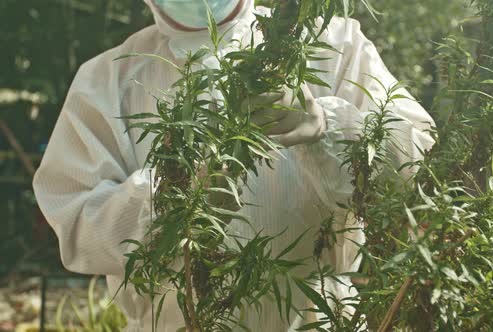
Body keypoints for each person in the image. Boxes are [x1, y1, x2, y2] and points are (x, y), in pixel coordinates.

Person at [32, 0, 436, 331]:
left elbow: (421, 170)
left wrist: (328, 125)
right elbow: (77, 227)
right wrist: (175, 195)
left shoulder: (337, 45)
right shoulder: (107, 79)